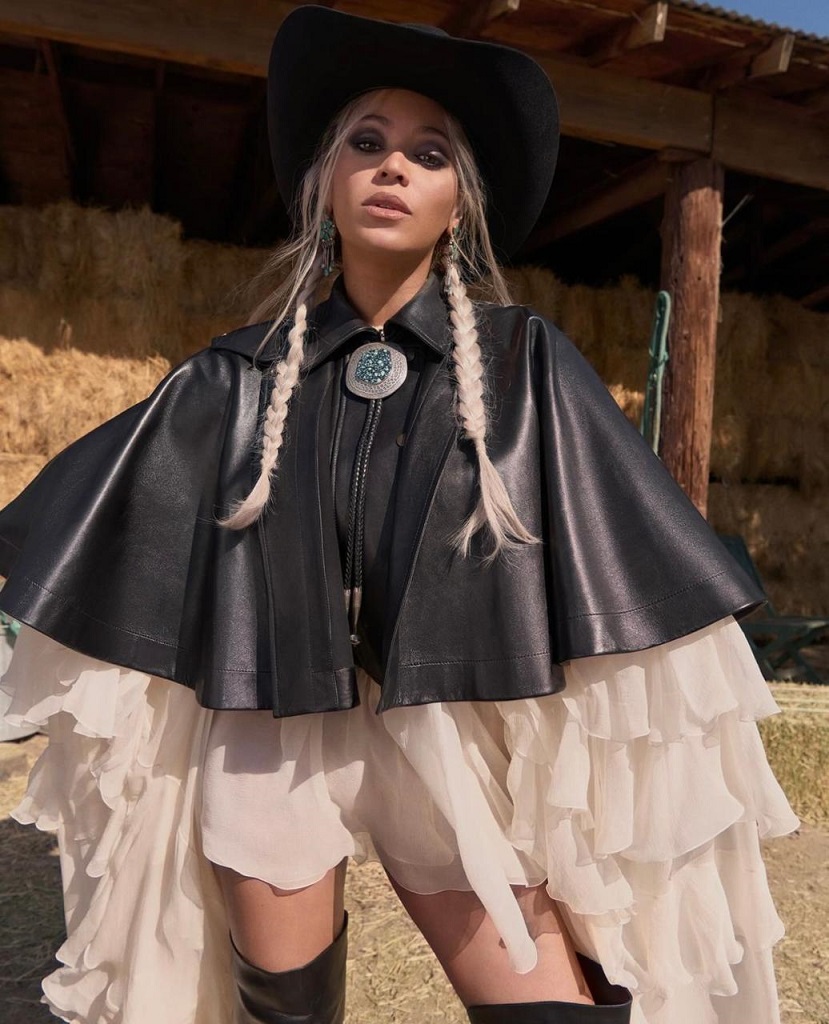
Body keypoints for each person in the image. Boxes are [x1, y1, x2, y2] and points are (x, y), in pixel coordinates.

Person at [0, 7, 798, 1024]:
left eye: (427, 155)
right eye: (365, 144)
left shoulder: (522, 363)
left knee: (545, 1008)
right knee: (281, 1007)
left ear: (459, 204)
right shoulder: (232, 377)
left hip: (446, 729)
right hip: (271, 728)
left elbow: (624, 561)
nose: (391, 168)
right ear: (325, 184)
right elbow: (97, 527)